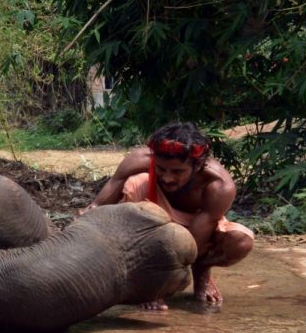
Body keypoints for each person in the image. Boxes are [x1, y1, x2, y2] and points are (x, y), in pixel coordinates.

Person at [81, 121, 253, 310]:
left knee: (240, 241)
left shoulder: (219, 186)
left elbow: (194, 240)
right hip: (145, 222)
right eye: (161, 169)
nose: (167, 178)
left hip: (194, 230)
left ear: (197, 166)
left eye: (178, 171)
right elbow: (96, 207)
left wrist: (158, 286)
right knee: (136, 182)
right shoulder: (139, 160)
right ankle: (139, 278)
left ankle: (202, 271)